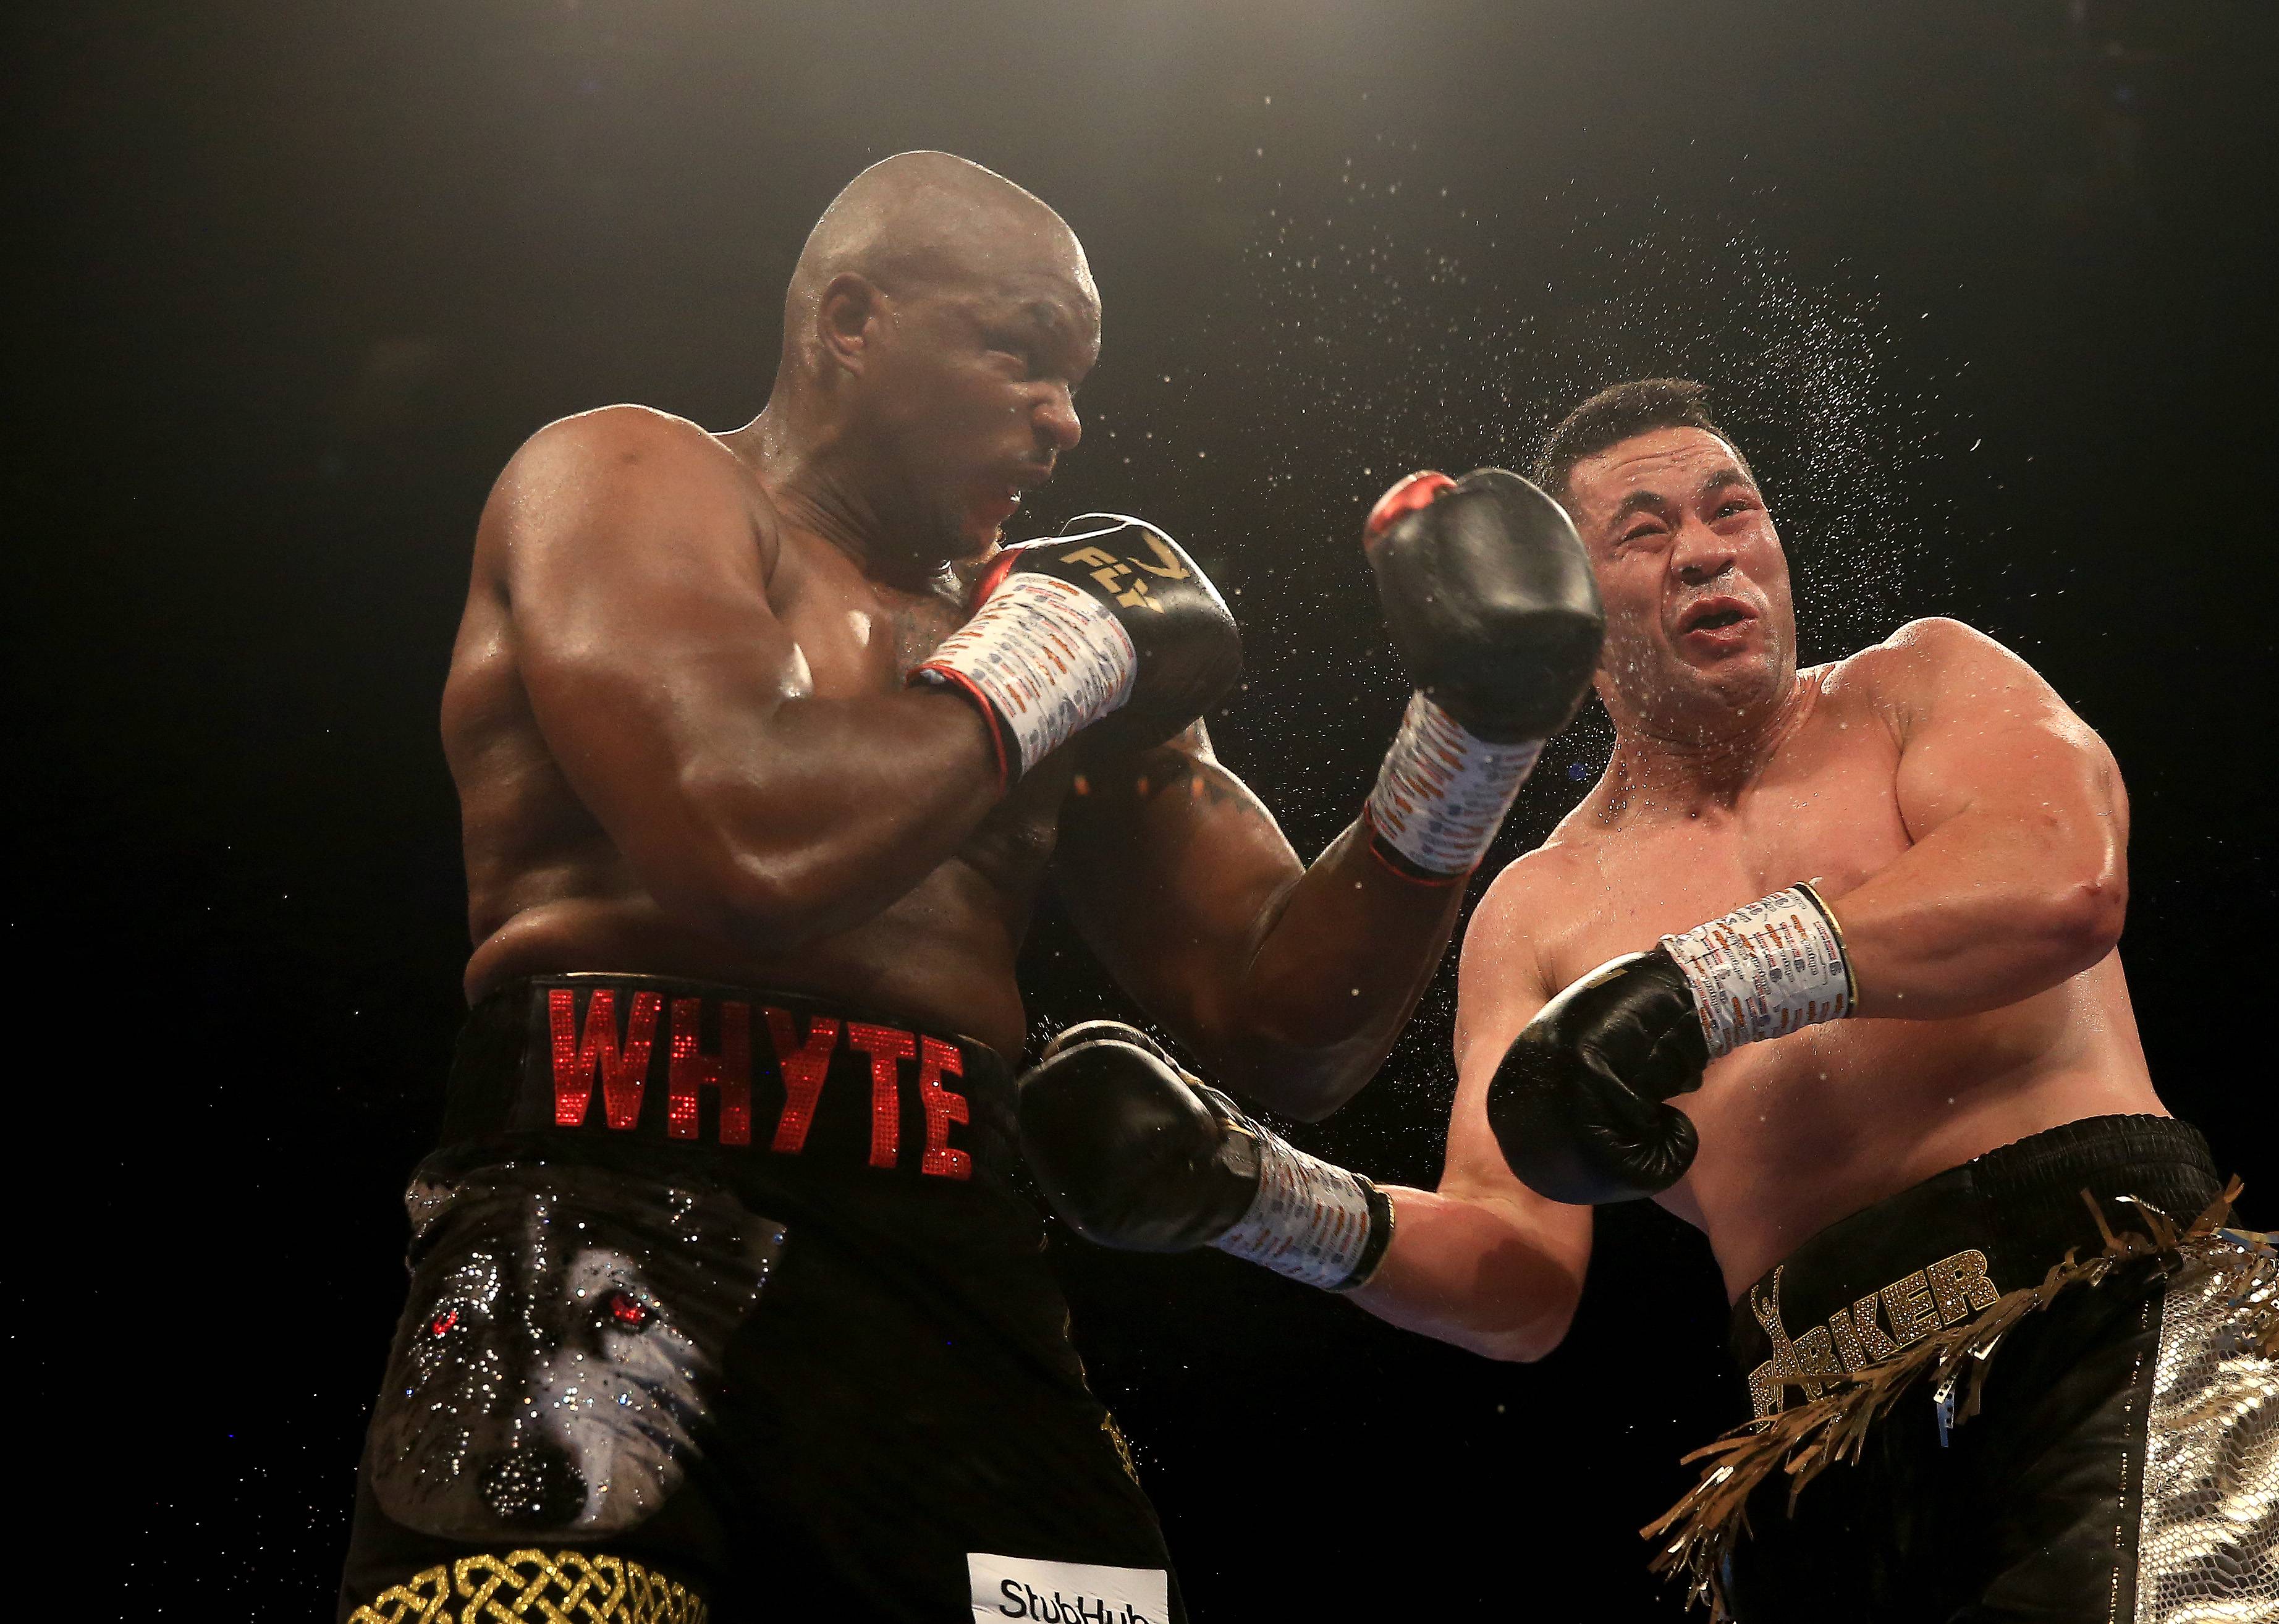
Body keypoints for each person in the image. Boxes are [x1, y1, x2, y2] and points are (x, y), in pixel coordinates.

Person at [339, 151, 1602, 1624]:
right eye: (1022, 353)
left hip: (949, 1262)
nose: (1064, 418)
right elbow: (743, 849)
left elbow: (1285, 1026)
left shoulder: (1047, 617)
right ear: (850, 321)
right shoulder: (626, 477)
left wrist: (1470, 742)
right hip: (602, 1203)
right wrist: (1052, 649)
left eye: (1077, 380)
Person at [1018, 379, 2279, 1622]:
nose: (1707, 553)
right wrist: (1256, 1196)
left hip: (2110, 1316)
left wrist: (1695, 986)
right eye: (1645, 533)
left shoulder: (1918, 685)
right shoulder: (1539, 908)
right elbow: (1519, 1279)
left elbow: (2061, 884)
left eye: (1733, 511)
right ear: (1573, 597)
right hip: (1816, 1436)